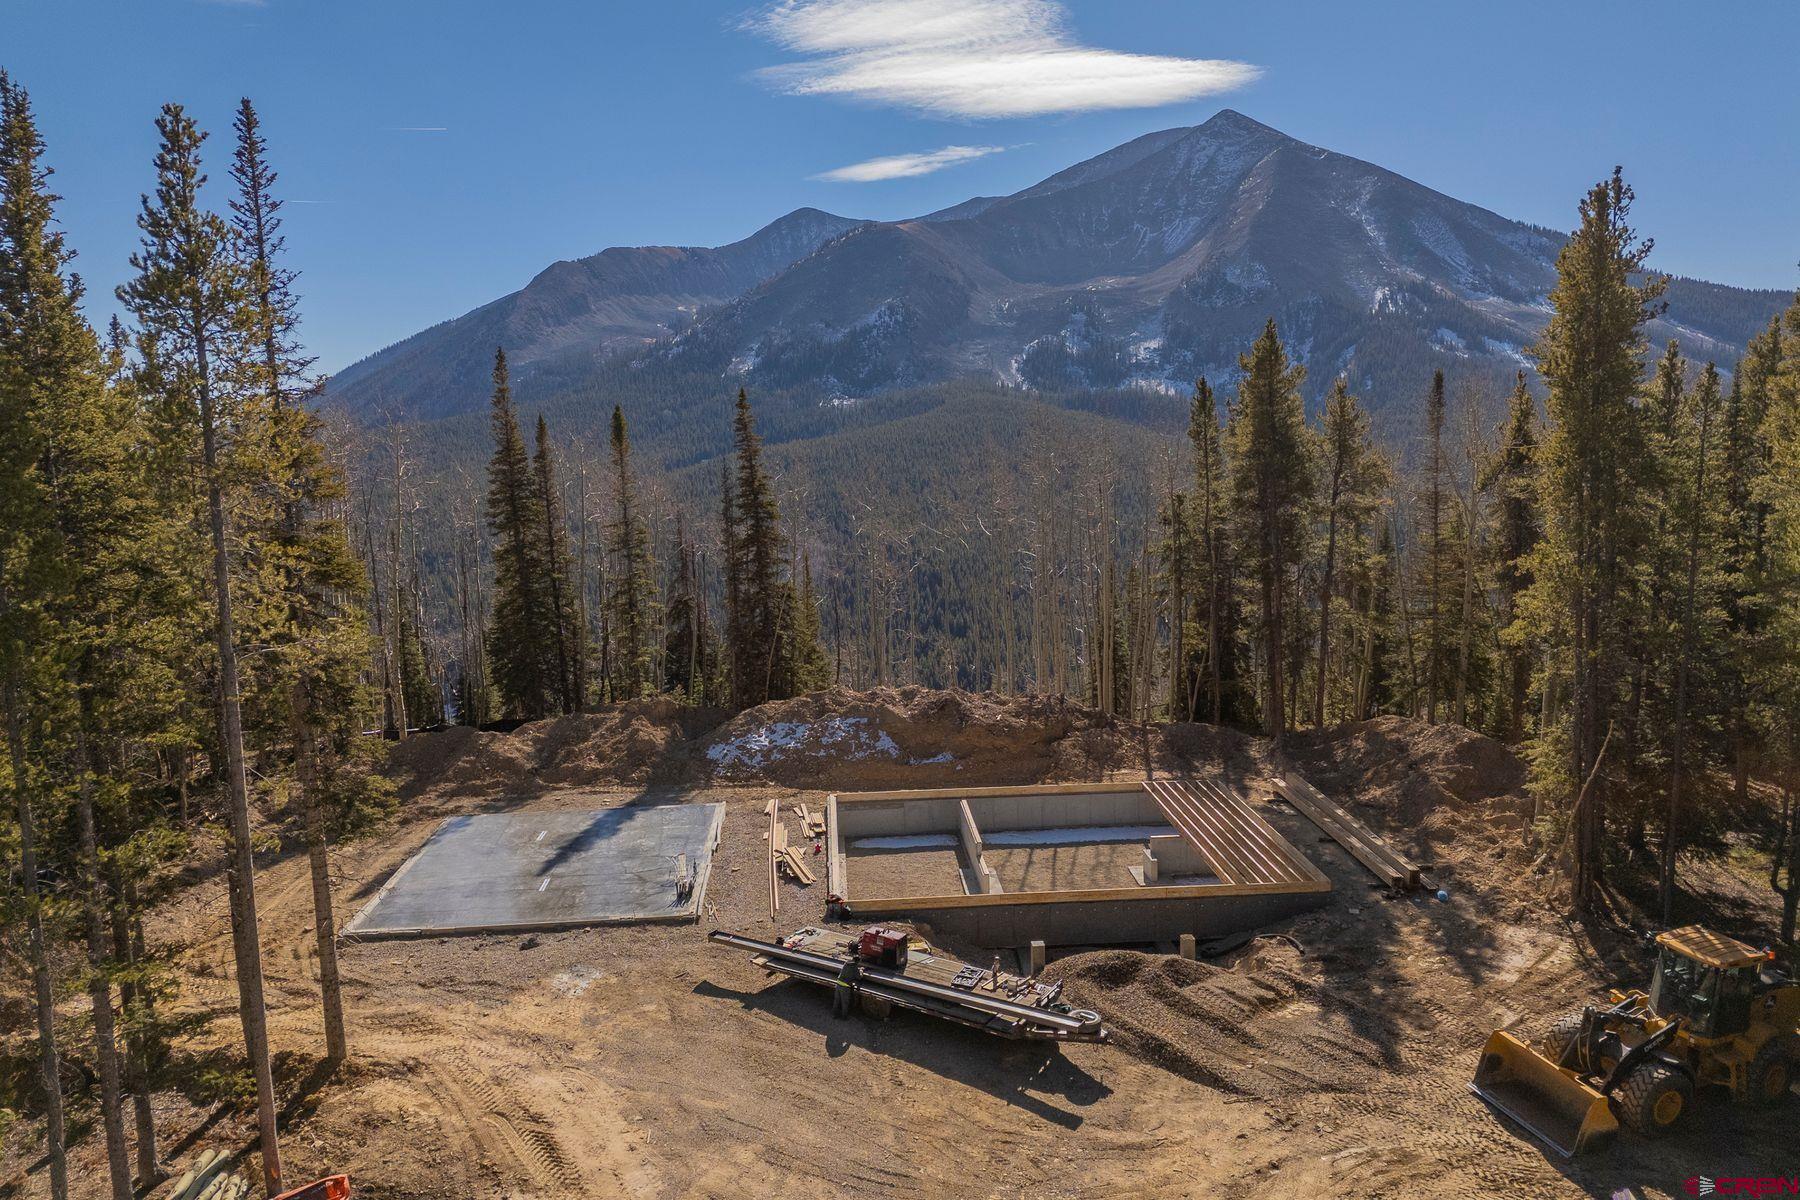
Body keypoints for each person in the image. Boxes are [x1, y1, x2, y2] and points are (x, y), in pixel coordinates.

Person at [833, 954, 862, 1019]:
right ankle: (844, 1017)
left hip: (838, 984)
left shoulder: (846, 963)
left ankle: (834, 1015)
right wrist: (861, 971)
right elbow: (859, 977)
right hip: (845, 987)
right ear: (857, 962)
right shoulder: (855, 967)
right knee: (845, 1002)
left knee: (836, 1001)